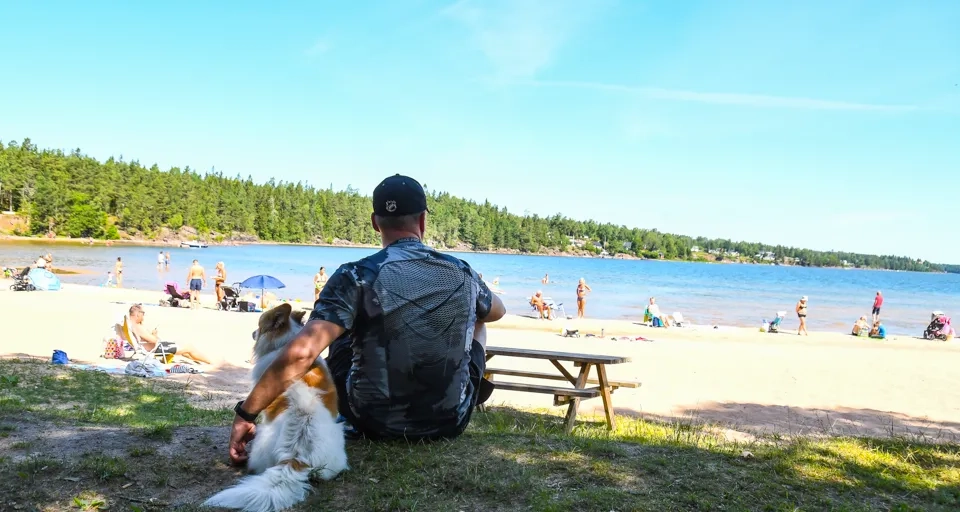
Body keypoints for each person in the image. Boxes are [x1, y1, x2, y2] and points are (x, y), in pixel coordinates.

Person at [227, 174, 506, 464]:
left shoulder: (355, 276)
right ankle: (461, 392)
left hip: (372, 422)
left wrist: (246, 413)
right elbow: (496, 311)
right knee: (479, 319)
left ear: (376, 222)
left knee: (342, 324)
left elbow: (302, 352)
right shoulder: (461, 271)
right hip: (448, 422)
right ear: (423, 220)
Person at [119, 304, 213, 363]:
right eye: (143, 314)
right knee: (189, 347)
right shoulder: (137, 327)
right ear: (138, 314)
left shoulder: (132, 325)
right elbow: (154, 341)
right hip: (157, 349)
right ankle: (211, 362)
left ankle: (202, 360)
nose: (143, 317)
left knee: (183, 346)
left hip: (155, 347)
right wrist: (154, 334)